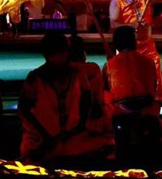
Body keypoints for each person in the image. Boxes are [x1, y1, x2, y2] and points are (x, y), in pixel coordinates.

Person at [18, 32, 116, 165]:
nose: (68, 54)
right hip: (40, 140)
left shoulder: (78, 74)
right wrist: (45, 135)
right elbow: (24, 111)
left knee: (107, 144)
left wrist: (77, 128)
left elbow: (86, 104)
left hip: (72, 138)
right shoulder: (35, 78)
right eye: (63, 51)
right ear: (50, 54)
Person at [109, 0, 162, 106]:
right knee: (131, 76)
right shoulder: (117, 0)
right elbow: (113, 23)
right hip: (128, 48)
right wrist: (132, 24)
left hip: (147, 45)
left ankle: (155, 101)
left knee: (154, 68)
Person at [103, 25, 162, 151]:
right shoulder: (149, 62)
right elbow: (153, 87)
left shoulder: (108, 65)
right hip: (146, 105)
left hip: (121, 108)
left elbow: (106, 90)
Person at [69, 34, 110, 137]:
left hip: (73, 122)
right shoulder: (93, 68)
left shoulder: (63, 71)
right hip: (94, 120)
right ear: (83, 53)